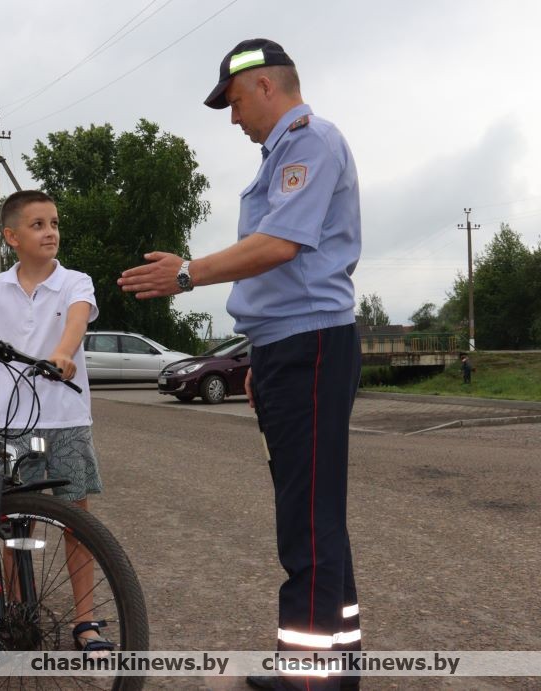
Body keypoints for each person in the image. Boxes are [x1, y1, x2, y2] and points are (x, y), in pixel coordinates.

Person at [118, 39, 362, 690]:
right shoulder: (284, 153)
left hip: (310, 345)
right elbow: (287, 267)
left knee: (307, 520)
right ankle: (336, 666)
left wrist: (189, 273)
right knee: (317, 514)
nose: (231, 118)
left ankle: (310, 675)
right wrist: (259, 355)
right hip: (293, 344)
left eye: (231, 102)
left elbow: (280, 245)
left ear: (263, 87)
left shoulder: (309, 141)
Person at [0, 189, 110, 652]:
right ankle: (10, 618)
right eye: (37, 225)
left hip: (65, 419)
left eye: (53, 223)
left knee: (75, 521)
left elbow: (76, 322)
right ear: (12, 237)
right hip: (9, 423)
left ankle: (85, 622)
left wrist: (62, 355)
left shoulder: (75, 281)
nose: (50, 232)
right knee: (10, 525)